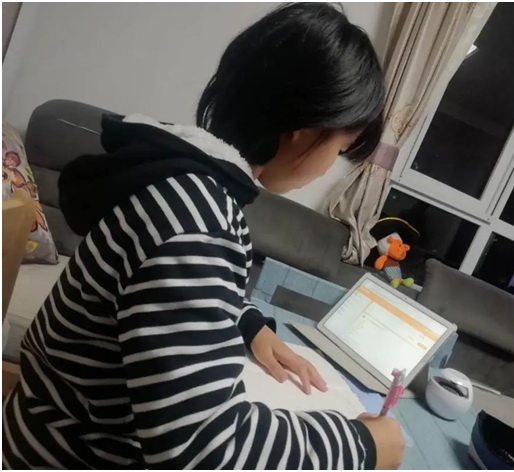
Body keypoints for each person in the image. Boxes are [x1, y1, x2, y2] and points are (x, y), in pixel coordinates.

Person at [2, 3, 405, 469]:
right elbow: (205, 450)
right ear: (305, 130)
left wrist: (248, 324)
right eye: (339, 148)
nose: (328, 166)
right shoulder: (196, 220)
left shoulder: (179, 182)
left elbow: (162, 295)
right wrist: (360, 446)